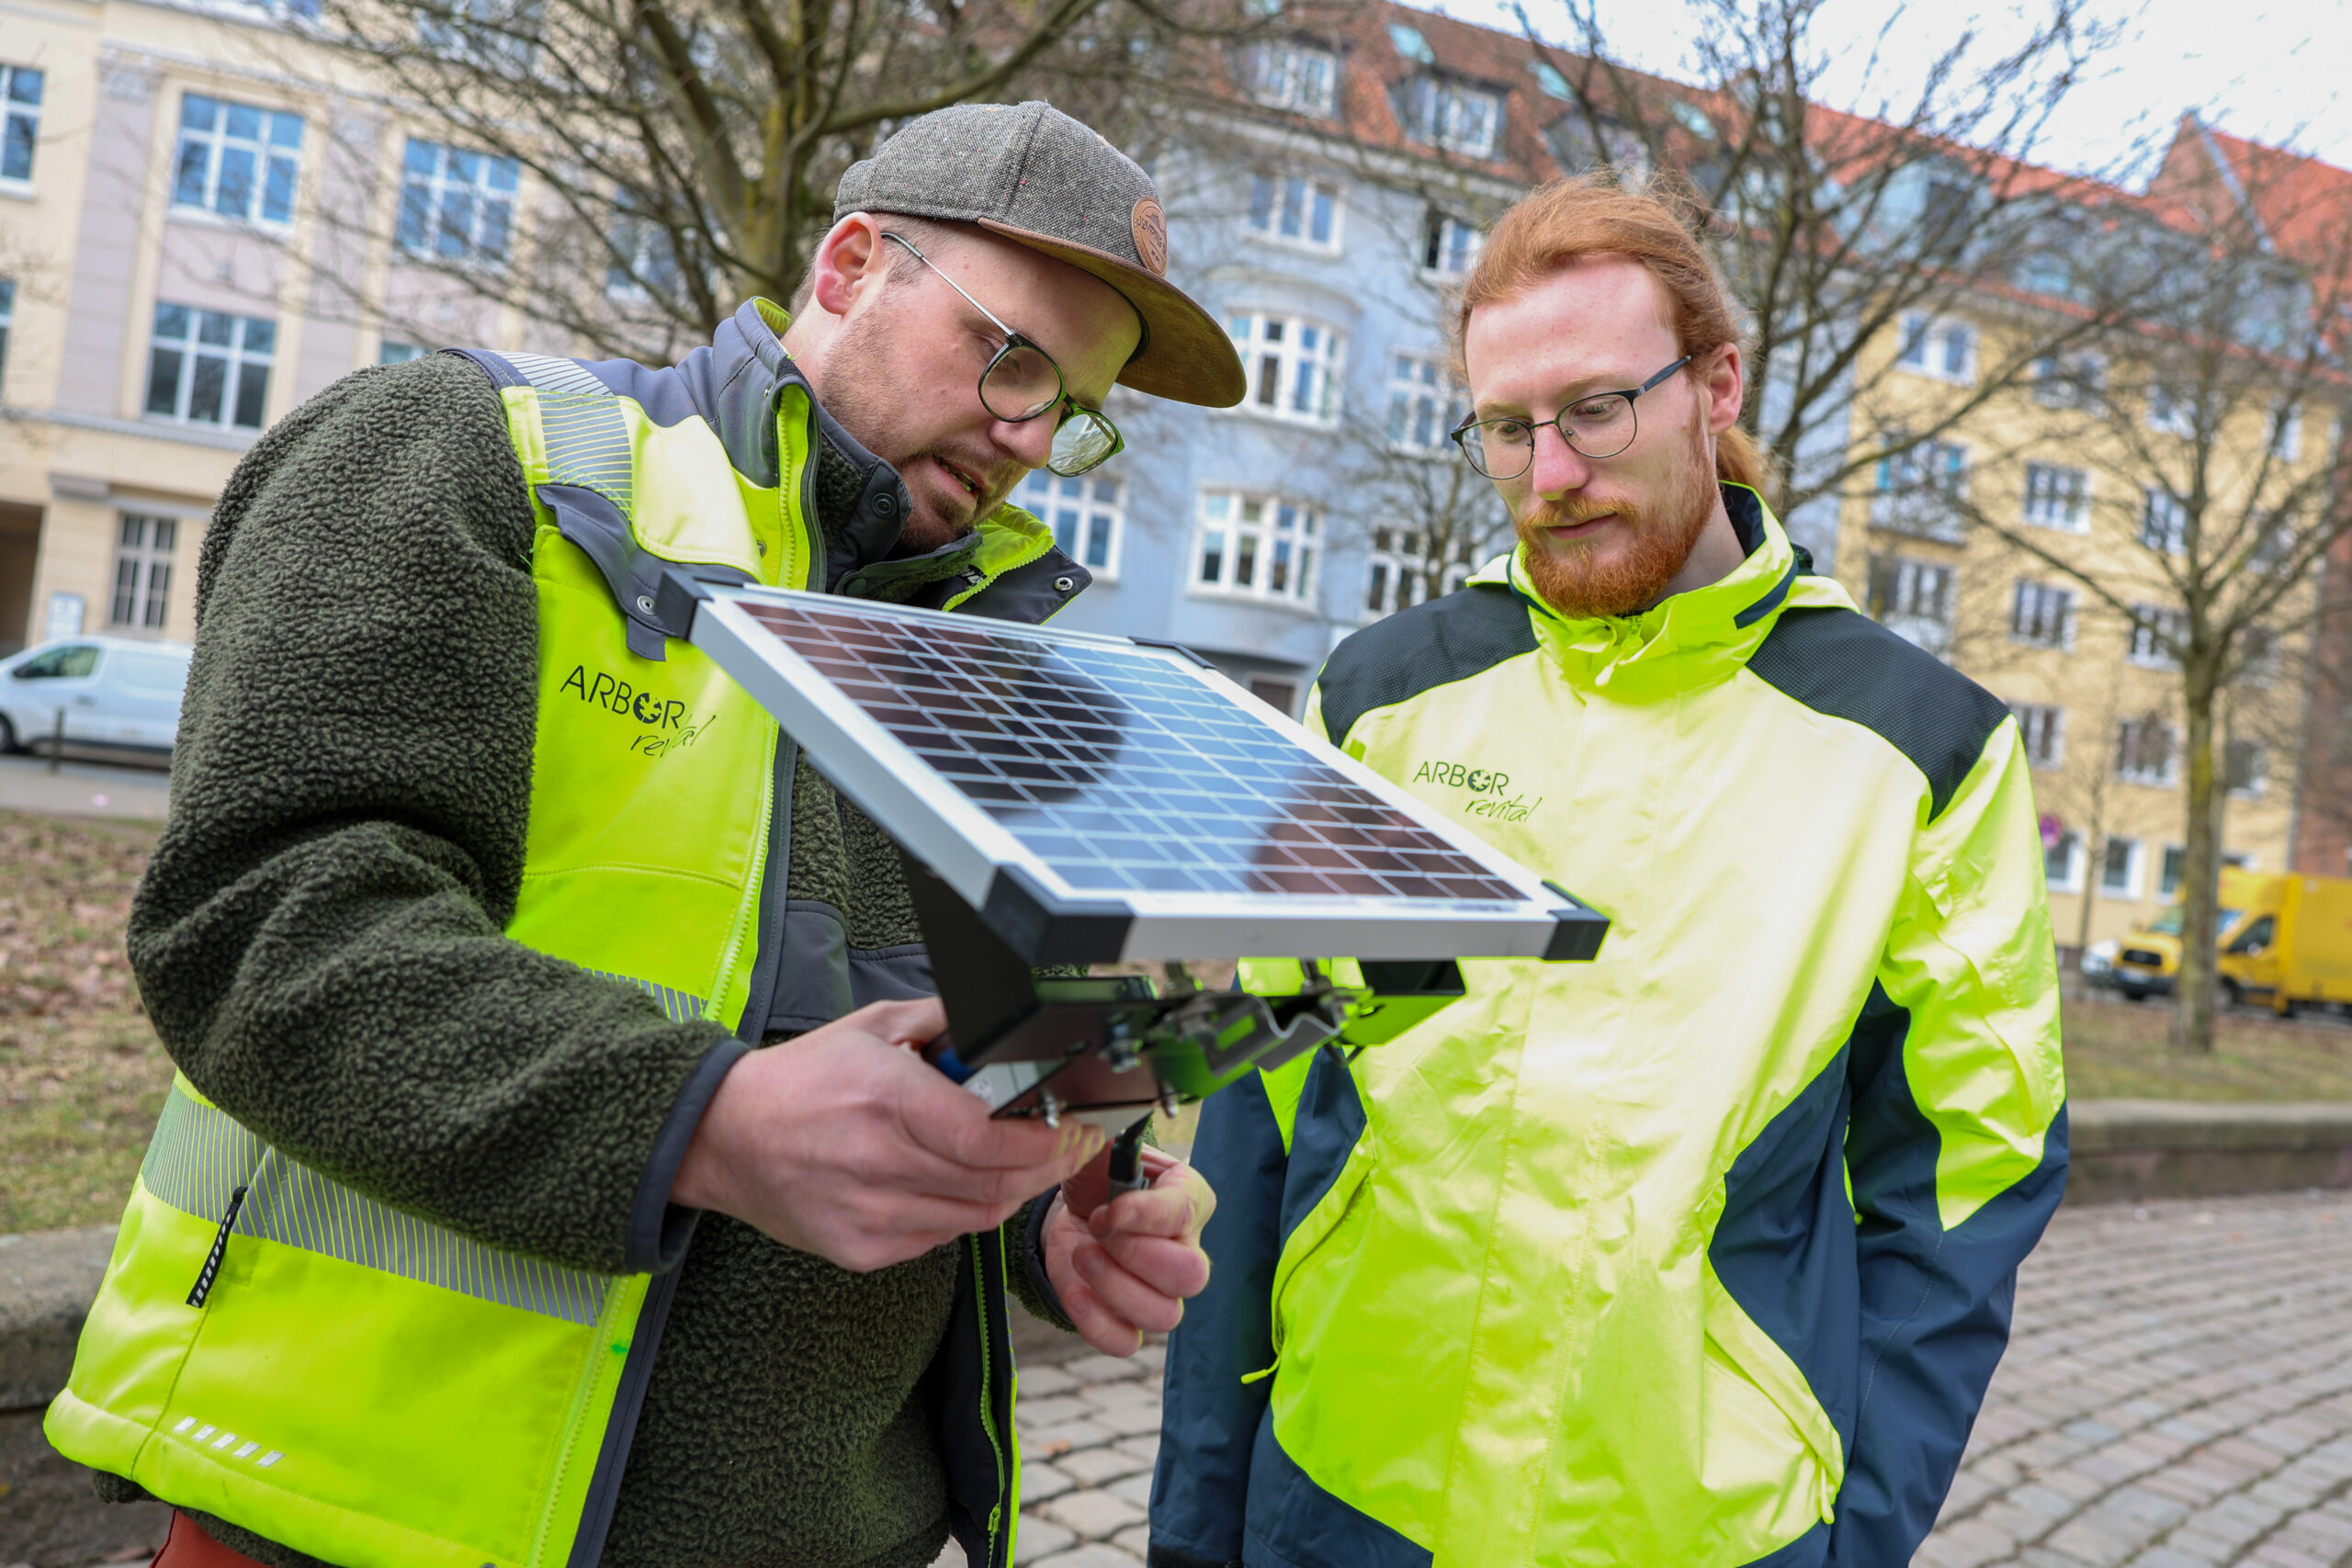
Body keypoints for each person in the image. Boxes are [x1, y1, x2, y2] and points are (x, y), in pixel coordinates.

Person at [48, 101, 1238, 1568]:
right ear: (855, 263)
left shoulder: (984, 664)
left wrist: (1027, 1236)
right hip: (361, 1515)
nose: (1032, 437)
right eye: (1012, 360)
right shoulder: (474, 453)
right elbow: (264, 928)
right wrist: (708, 1122)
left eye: (1076, 409)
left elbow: (896, 1069)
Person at [1149, 176, 2067, 1568]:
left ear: (1715, 384)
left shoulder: (1922, 749)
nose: (1550, 473)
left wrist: (1849, 1531)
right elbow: (1261, 1111)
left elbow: (1966, 1183)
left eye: (1593, 409)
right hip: (1340, 1495)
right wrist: (1201, 1517)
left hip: (1696, 1530)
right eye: (1506, 428)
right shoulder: (1379, 697)